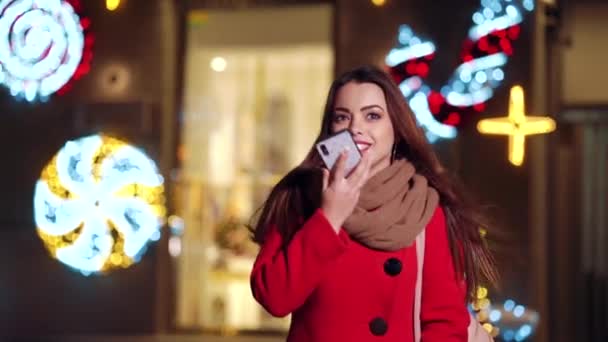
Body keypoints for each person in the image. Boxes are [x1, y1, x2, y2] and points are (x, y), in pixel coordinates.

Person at [249, 65, 497, 341]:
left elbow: (444, 324)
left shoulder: (423, 206)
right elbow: (274, 298)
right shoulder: (302, 196)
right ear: (330, 129)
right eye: (342, 117)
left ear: (397, 129)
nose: (356, 128)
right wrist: (329, 217)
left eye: (372, 116)